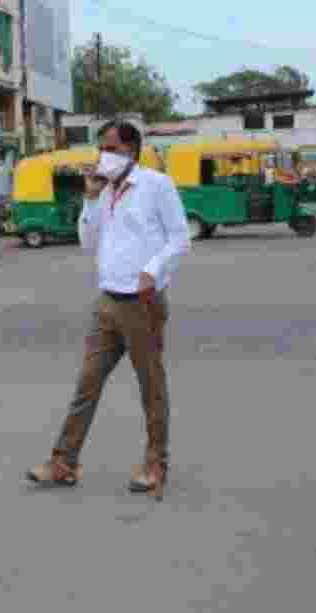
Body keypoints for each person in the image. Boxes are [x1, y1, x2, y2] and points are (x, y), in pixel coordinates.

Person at [26, 120, 191, 496]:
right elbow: (87, 243)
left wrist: (153, 269)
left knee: (151, 387)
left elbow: (181, 237)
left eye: (112, 149)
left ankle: (154, 464)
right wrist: (88, 199)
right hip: (107, 302)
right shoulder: (103, 191)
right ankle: (64, 462)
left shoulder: (155, 186)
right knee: (87, 384)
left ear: (132, 151)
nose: (104, 156)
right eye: (102, 148)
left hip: (142, 304)